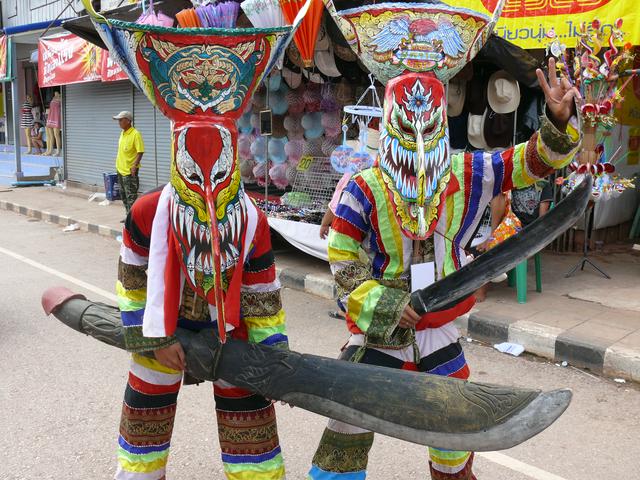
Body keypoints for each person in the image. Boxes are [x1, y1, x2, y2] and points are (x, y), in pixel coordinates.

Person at [308, 44, 581, 480]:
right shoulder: (362, 188)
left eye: (429, 123)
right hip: (380, 335)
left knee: (456, 442)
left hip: (440, 329)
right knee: (345, 429)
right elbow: (342, 263)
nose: (418, 138)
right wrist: (387, 304)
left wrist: (558, 122)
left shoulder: (468, 172)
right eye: (406, 123)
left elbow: (528, 163)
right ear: (388, 120)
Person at [113, 111, 144, 215]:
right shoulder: (122, 133)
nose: (119, 122)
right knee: (123, 195)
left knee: (131, 197)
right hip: (120, 169)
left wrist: (134, 165)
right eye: (118, 120)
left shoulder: (136, 134)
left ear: (128, 121)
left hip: (130, 171)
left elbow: (140, 151)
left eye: (121, 120)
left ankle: (133, 219)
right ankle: (128, 216)